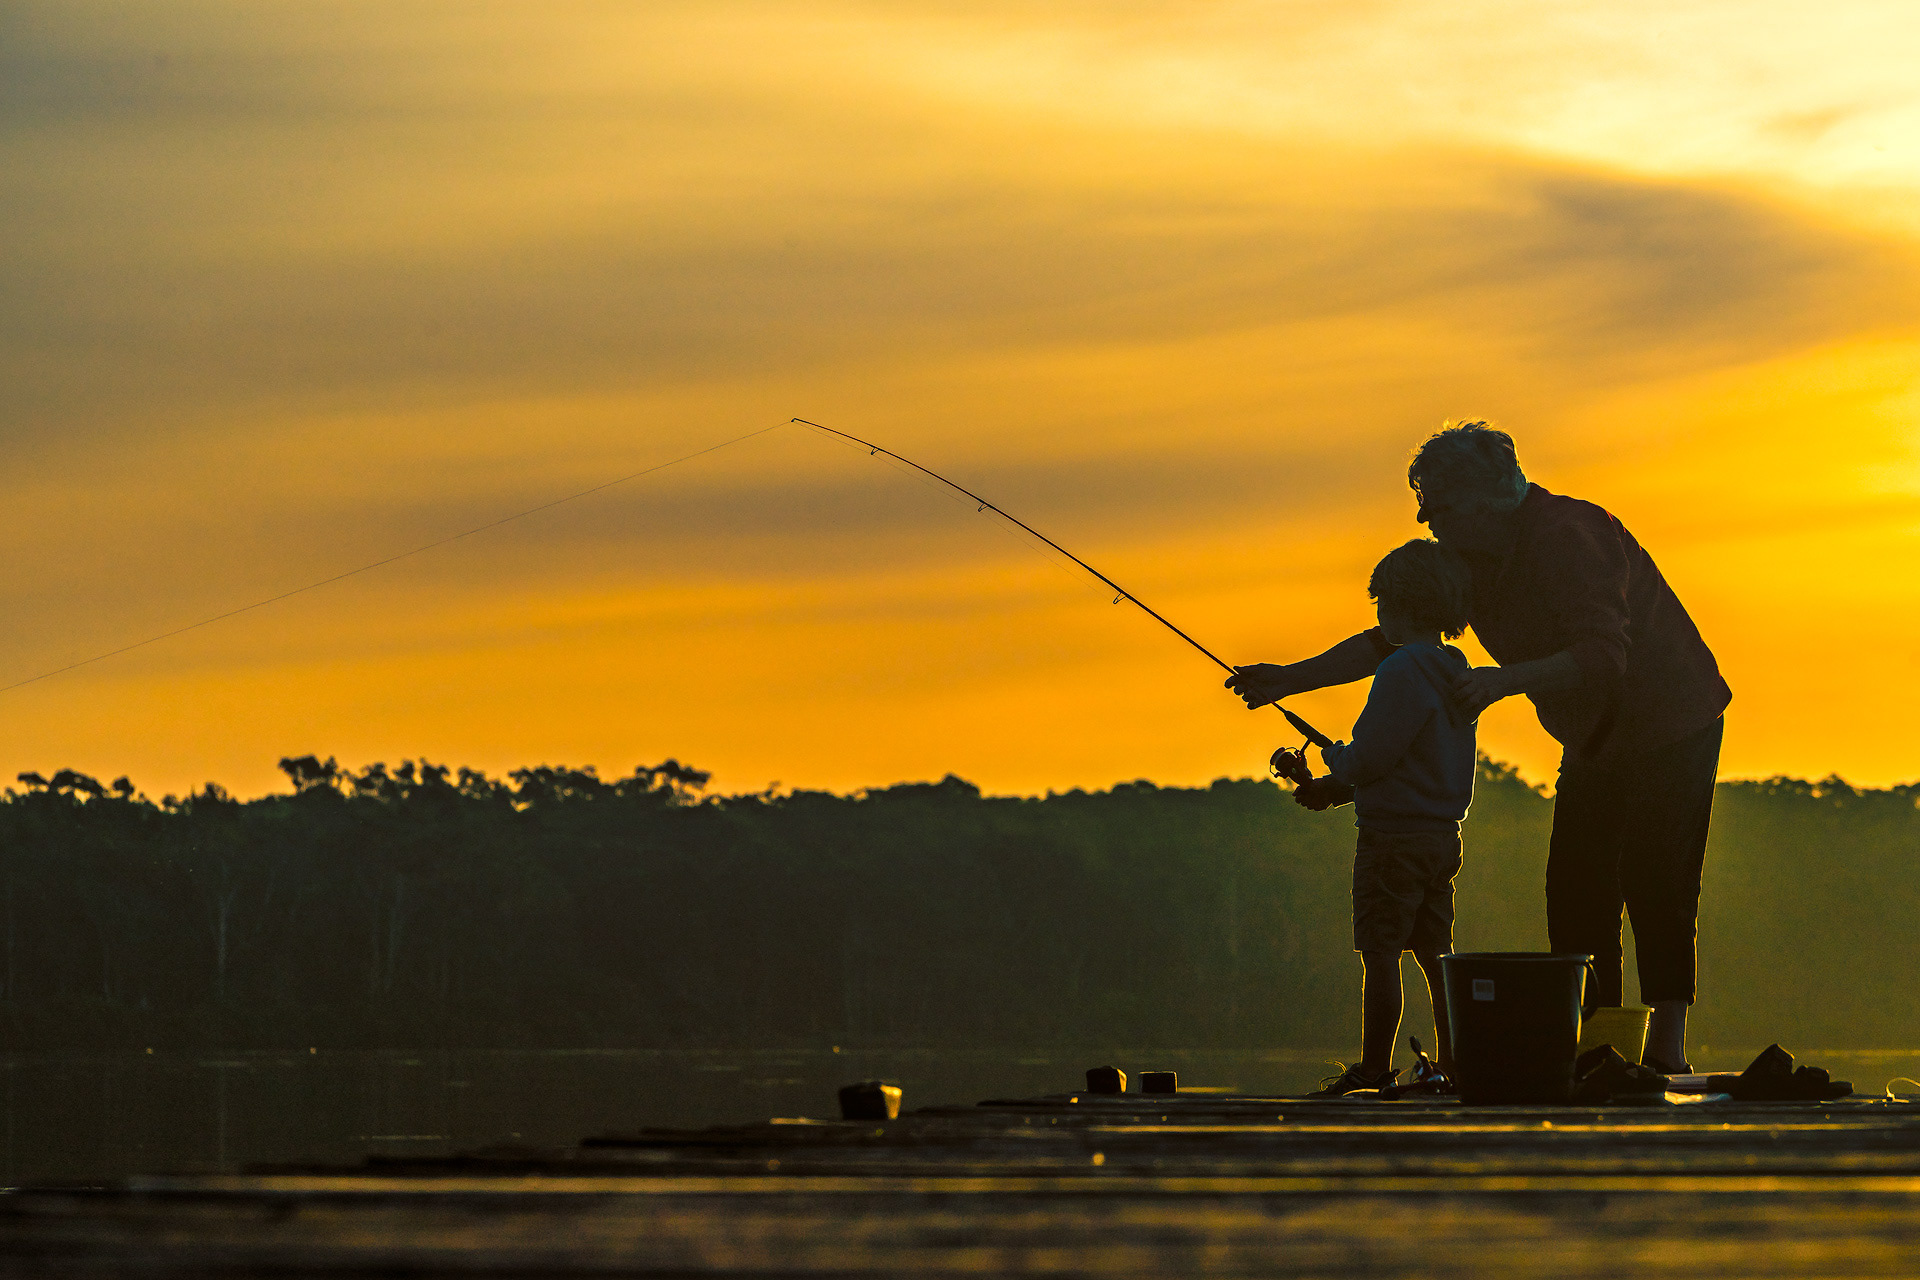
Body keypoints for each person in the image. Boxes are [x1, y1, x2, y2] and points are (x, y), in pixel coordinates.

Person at [1230, 422, 1729, 1074]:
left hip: (1672, 720)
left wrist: (1503, 680)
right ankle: (1603, 1053)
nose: (1426, 519)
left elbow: (1604, 656)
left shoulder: (1571, 537)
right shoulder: (1467, 559)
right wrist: (1293, 678)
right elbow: (1397, 636)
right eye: (1424, 507)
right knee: (1576, 896)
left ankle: (1666, 1055)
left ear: (1487, 495)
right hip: (1594, 741)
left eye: (1438, 505)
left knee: (1657, 882)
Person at [1294, 537, 1477, 1097]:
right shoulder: (1453, 668)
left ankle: (1374, 1069)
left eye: (1379, 602)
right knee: (1435, 958)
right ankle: (1456, 1066)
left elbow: (1370, 756)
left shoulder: (1401, 668)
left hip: (1391, 842)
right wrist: (1333, 788)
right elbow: (1406, 761)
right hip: (1441, 838)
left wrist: (1333, 759)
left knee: (1380, 955)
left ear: (1398, 605)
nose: (1376, 614)